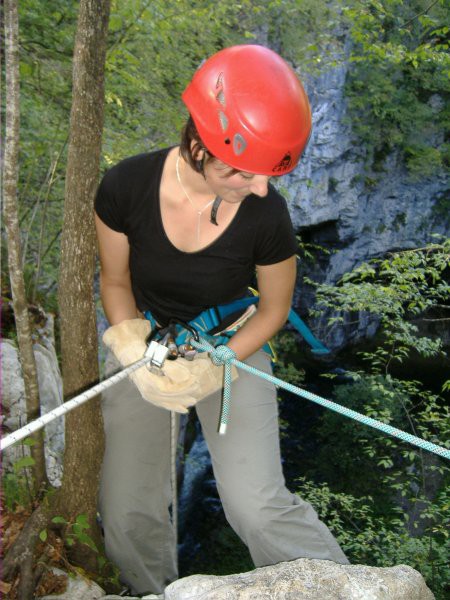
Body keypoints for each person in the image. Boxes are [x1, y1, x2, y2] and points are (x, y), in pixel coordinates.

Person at [95, 44, 348, 597]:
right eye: (242, 172)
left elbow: (275, 308)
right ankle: (148, 591)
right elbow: (114, 282)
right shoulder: (125, 188)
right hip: (147, 339)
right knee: (125, 510)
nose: (259, 189)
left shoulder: (266, 213)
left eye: (266, 177)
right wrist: (132, 350)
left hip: (232, 341)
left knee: (257, 507)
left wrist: (220, 360)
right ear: (199, 143)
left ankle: (346, 589)